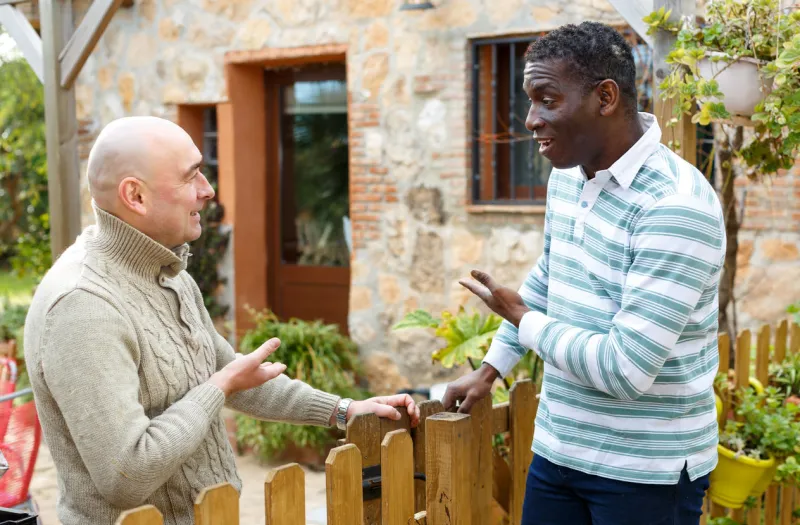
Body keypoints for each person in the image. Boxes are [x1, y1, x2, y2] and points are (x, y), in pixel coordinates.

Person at [23, 116, 419, 525]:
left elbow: (233, 375)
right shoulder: (82, 307)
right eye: (190, 176)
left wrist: (343, 410)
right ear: (135, 196)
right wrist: (217, 388)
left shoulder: (165, 272)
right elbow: (126, 473)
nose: (207, 190)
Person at [444, 22, 725, 525]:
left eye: (546, 100)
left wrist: (522, 318)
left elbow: (625, 369)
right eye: (530, 101)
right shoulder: (569, 179)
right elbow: (552, 279)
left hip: (645, 473)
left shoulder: (675, 206)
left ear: (606, 97)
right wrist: (491, 369)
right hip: (558, 449)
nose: (530, 120)